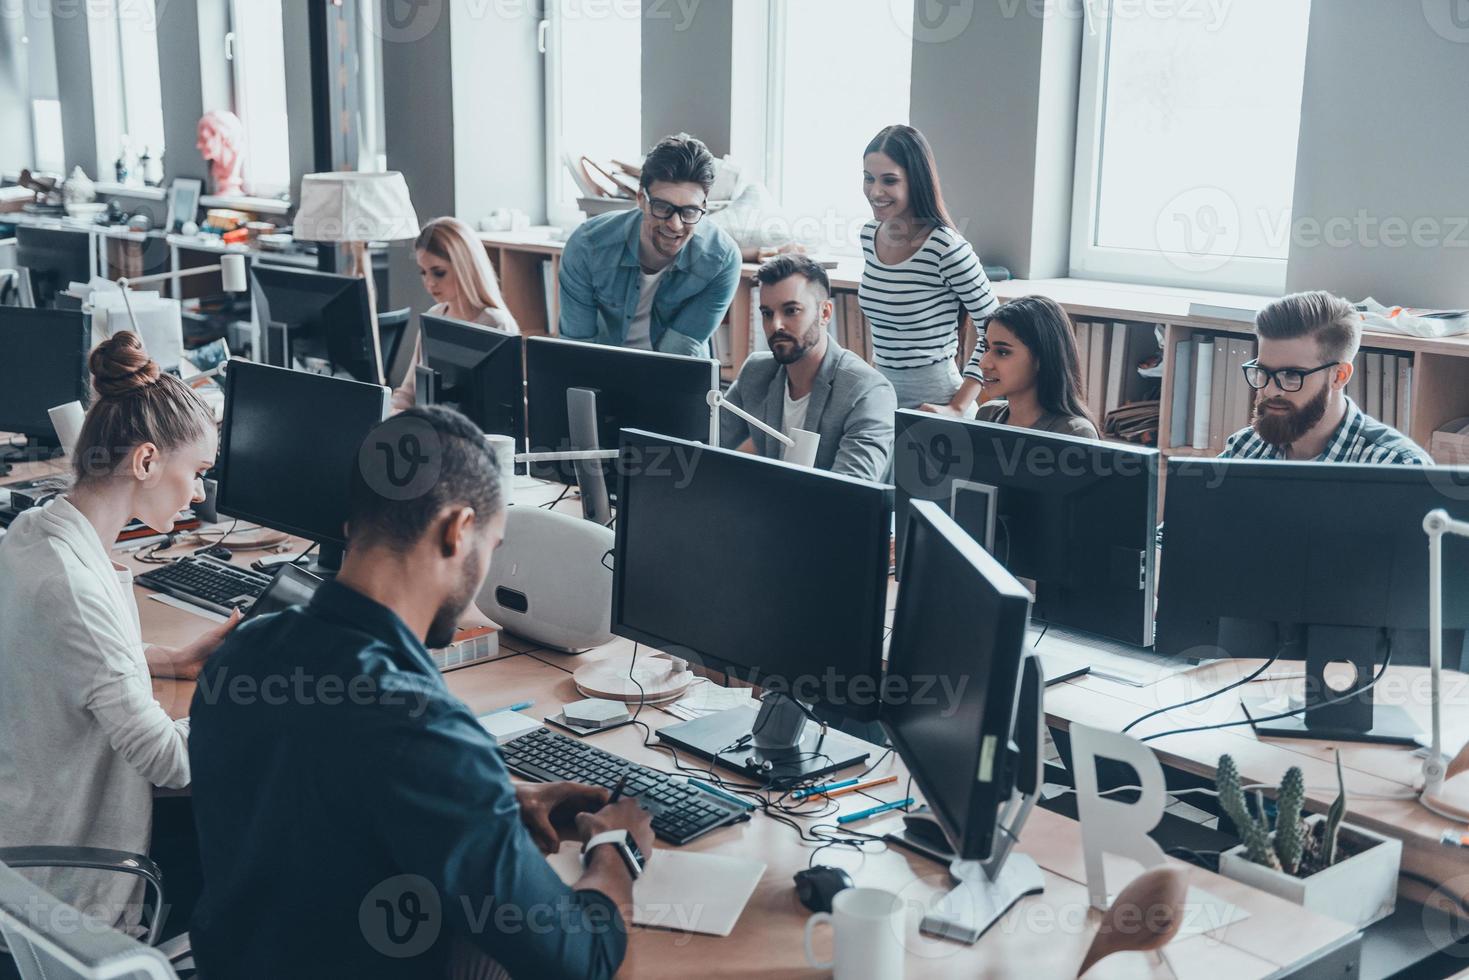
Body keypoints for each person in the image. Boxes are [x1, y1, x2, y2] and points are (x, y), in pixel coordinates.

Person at [188, 406, 652, 980]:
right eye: (493, 544)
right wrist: (616, 851)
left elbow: (326, 781)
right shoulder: (419, 725)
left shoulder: (244, 654)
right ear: (458, 531)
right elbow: (583, 962)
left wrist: (494, 798)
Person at [0, 332, 234, 939]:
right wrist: (264, 720)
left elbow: (53, 657)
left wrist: (164, 660)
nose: (201, 493)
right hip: (67, 883)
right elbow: (169, 760)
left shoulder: (35, 530)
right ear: (148, 461)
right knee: (287, 856)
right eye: (199, 472)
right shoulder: (72, 587)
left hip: (26, 825)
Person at [558, 133, 742, 356]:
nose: (675, 225)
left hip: (675, 375)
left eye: (690, 211)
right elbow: (577, 350)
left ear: (704, 206)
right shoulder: (587, 246)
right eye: (663, 207)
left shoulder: (722, 260)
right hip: (601, 373)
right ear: (640, 199)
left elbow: (680, 351)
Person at [858, 124, 999, 413]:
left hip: (936, 401)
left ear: (915, 181)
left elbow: (995, 329)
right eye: (869, 178)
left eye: (889, 180)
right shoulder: (868, 236)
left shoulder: (945, 247)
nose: (875, 191)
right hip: (881, 397)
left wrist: (958, 407)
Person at [721, 255, 896, 481]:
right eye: (767, 313)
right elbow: (706, 442)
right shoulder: (756, 372)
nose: (776, 325)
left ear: (824, 313)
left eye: (791, 310)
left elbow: (850, 493)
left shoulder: (868, 392)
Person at [1220, 290, 1430, 463]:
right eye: (1263, 371)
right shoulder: (1244, 449)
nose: (1270, 390)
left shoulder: (1398, 467)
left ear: (1339, 376)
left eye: (1291, 375)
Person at [390, 216, 520, 412]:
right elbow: (408, 392)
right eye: (423, 272)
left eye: (439, 272)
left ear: (464, 267)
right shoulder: (434, 317)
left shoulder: (495, 324)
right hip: (429, 429)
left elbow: (503, 409)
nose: (429, 283)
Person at [971, 296, 1099, 438]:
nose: (983, 363)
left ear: (1041, 359)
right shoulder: (987, 415)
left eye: (1002, 352)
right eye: (986, 348)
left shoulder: (1075, 433)